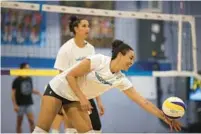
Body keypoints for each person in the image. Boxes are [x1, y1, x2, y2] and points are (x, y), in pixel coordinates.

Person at [33, 40, 182, 133]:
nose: (132, 62)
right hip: (58, 89)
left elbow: (143, 101)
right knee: (41, 131)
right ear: (120, 54)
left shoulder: (121, 79)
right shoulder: (98, 61)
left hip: (74, 98)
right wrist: (83, 98)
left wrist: (164, 117)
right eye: (130, 58)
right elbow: (69, 75)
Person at [51, 15, 103, 133]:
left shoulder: (90, 49)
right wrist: (61, 101)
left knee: (96, 128)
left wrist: (99, 101)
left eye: (88, 26)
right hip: (70, 94)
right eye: (84, 26)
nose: (88, 29)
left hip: (86, 94)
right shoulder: (65, 49)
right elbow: (60, 77)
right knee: (73, 129)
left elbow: (92, 76)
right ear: (76, 29)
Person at [11, 62, 42, 133]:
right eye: (26, 68)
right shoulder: (17, 80)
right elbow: (13, 94)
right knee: (19, 123)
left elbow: (30, 89)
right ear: (22, 69)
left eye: (28, 68)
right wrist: (15, 105)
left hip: (28, 103)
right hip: (20, 105)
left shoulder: (29, 78)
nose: (28, 69)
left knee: (32, 121)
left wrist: (39, 93)